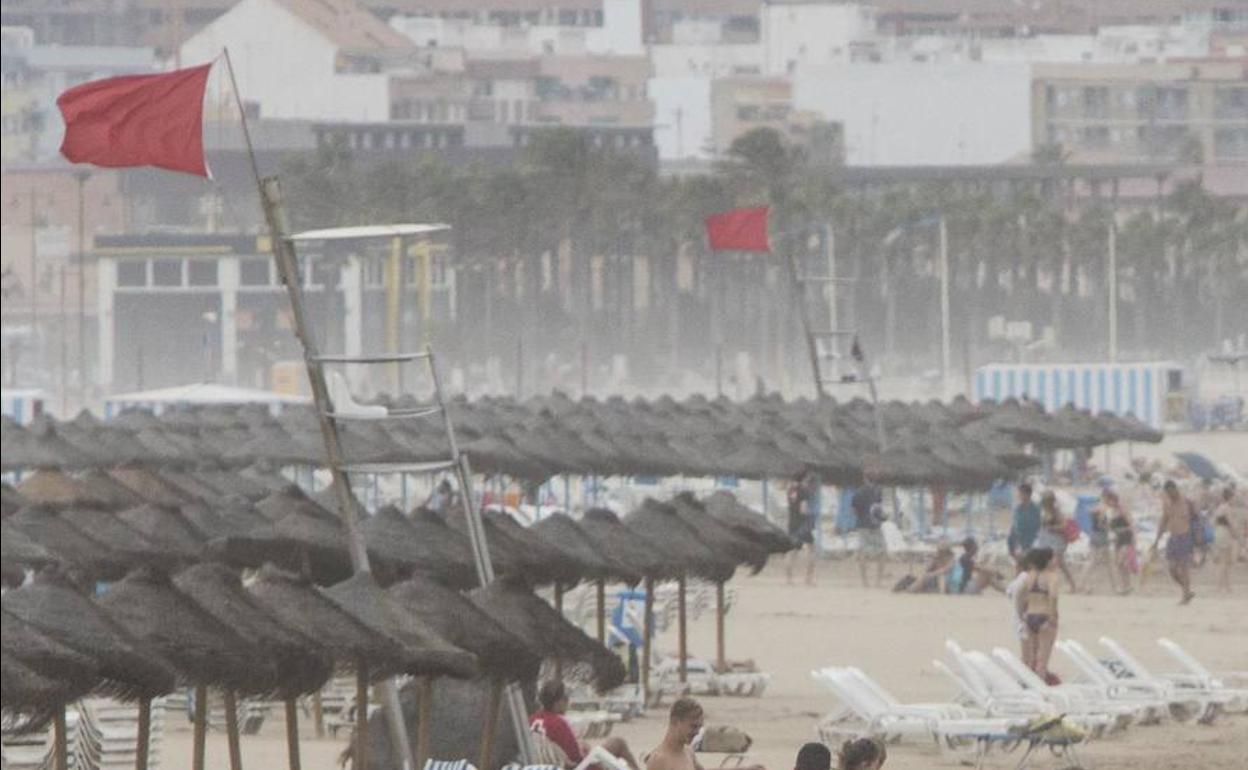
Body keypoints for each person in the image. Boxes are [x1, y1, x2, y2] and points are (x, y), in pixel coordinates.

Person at [532, 679, 639, 770]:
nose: (568, 701)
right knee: (618, 743)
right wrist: (585, 750)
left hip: (545, 765)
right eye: (565, 698)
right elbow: (576, 757)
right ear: (557, 702)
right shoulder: (558, 723)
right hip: (577, 767)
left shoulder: (532, 719)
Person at [645, 698, 763, 770]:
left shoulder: (688, 751)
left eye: (699, 727)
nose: (697, 732)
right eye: (693, 726)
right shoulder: (659, 760)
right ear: (676, 721)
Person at [1014, 547, 1060, 682]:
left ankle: (1029, 687)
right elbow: (1053, 596)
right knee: (1042, 661)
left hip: (1030, 617)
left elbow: (1019, 595)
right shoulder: (1052, 577)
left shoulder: (1029, 577)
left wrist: (1021, 611)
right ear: (1047, 561)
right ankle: (1040, 693)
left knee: (1032, 660)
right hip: (1045, 617)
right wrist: (1053, 615)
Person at [1152, 480, 1196, 605]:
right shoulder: (1167, 503)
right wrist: (1156, 540)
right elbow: (1163, 521)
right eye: (1168, 493)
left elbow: (1197, 520)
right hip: (1173, 537)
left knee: (1184, 568)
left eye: (1172, 492)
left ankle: (1185, 596)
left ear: (1176, 489)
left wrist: (1198, 541)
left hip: (1185, 536)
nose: (1171, 495)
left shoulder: (1187, 501)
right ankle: (1187, 591)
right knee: (1172, 569)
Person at [1078, 490, 1120, 595]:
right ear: (1108, 499)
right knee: (1110, 563)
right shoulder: (1105, 509)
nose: (1114, 504)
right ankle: (1116, 588)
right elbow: (1102, 524)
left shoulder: (1096, 507)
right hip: (1102, 536)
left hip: (1094, 535)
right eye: (1113, 501)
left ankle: (1082, 585)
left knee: (1091, 562)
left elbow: (1092, 515)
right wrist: (1110, 529)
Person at [1035, 491, 1077, 592]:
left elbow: (1064, 526)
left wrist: (1053, 528)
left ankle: (1050, 586)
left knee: (1054, 564)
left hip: (1057, 541)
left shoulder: (1056, 512)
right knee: (1059, 564)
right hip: (1046, 540)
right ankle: (1071, 585)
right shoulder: (1044, 511)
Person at [1211, 487, 1247, 594]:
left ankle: (1226, 587)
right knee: (1224, 562)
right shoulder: (1227, 508)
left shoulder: (1220, 507)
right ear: (1230, 497)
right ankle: (1219, 587)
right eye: (1233, 497)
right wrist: (1239, 538)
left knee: (1225, 562)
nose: (1234, 499)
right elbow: (1231, 524)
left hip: (1219, 533)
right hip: (1225, 535)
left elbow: (1214, 522)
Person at [851, 483, 887, 588]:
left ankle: (865, 581)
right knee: (882, 552)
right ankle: (878, 581)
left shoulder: (858, 492)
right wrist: (882, 518)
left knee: (863, 552)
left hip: (862, 525)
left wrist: (860, 516)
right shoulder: (878, 491)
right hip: (875, 525)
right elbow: (878, 509)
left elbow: (853, 509)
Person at [785, 471, 817, 586]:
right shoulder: (804, 491)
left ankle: (789, 579)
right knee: (811, 550)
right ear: (803, 479)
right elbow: (803, 509)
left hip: (792, 522)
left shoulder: (790, 490)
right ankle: (808, 579)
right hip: (803, 524)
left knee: (791, 552)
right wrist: (810, 515)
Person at [1105, 490, 1137, 595]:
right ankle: (1126, 585)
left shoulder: (1122, 510)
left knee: (1121, 562)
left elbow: (1131, 524)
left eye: (1109, 501)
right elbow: (1110, 526)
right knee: (1120, 564)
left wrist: (1133, 539)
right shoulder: (1112, 511)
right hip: (1118, 539)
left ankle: (1126, 585)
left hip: (1126, 538)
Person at [1008, 483, 1041, 562]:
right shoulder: (1017, 508)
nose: (1018, 495)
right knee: (1020, 565)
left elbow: (1037, 526)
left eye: (1020, 493)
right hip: (1018, 541)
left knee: (1028, 565)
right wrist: (1012, 543)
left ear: (1027, 494)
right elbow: (1015, 525)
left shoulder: (1035, 509)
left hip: (1030, 542)